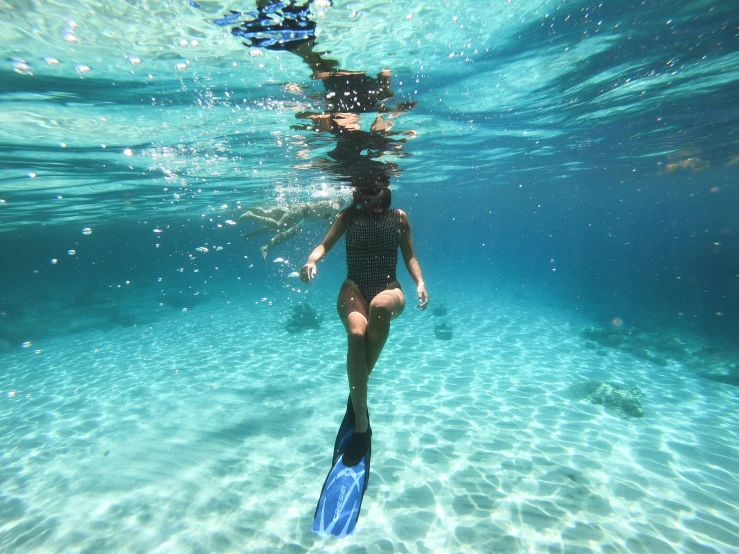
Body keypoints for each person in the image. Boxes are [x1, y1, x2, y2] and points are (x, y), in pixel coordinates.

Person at [299, 185, 429, 466]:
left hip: (389, 288)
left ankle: (359, 414)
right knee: (357, 334)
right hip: (353, 288)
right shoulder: (349, 216)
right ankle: (361, 414)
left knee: (379, 307)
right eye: (368, 193)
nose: (374, 200)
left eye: (378, 193)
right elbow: (325, 245)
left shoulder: (399, 218)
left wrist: (419, 282)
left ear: (386, 190)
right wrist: (311, 260)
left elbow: (409, 256)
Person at [238, 199, 342, 261]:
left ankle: (245, 207)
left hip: (300, 208)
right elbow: (336, 208)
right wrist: (332, 223)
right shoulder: (339, 203)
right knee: (279, 226)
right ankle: (252, 216)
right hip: (302, 211)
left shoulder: (335, 203)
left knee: (267, 212)